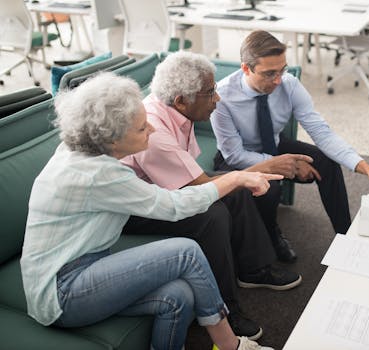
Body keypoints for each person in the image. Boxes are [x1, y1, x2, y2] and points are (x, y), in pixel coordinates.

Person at [20, 72, 276, 350]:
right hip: (61, 292)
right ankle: (230, 345)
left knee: (178, 296)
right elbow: (175, 207)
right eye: (143, 128)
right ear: (113, 139)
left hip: (84, 268)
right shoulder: (99, 173)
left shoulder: (82, 151)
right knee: (185, 251)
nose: (152, 130)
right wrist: (236, 178)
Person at [121, 51, 305, 340]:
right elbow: (199, 186)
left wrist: (241, 178)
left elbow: (193, 177)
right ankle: (225, 311)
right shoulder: (156, 130)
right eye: (210, 93)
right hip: (132, 210)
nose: (217, 99)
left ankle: (253, 270)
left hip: (160, 188)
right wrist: (258, 169)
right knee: (212, 214)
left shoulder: (178, 112)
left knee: (235, 187)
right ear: (182, 99)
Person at [211, 30, 369, 254]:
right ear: (246, 68)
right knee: (267, 187)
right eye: (269, 73)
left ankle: (346, 237)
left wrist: (366, 168)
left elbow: (322, 132)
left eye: (282, 70)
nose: (278, 80)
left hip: (273, 144)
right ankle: (272, 235)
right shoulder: (222, 96)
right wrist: (284, 164)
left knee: (327, 162)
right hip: (238, 157)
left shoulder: (288, 84)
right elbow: (234, 154)